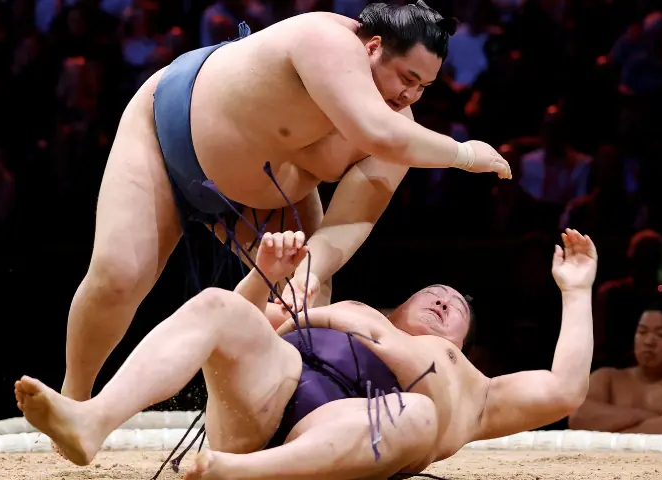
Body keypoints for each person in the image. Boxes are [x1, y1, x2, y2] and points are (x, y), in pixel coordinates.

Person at [62, 0, 512, 403]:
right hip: (166, 134)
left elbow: (351, 219)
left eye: (423, 87)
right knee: (119, 277)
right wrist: (465, 154)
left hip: (266, 201)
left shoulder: (401, 128)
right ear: (374, 47)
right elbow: (379, 132)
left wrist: (309, 271)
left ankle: (273, 427)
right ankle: (74, 401)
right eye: (407, 79)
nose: (409, 96)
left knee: (303, 309)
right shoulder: (325, 40)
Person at [16, 228, 593, 479]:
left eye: (456, 308)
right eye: (434, 293)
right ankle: (93, 419)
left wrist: (576, 291)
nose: (444, 300)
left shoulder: (476, 391)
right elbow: (239, 331)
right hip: (267, 394)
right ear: (398, 306)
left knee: (417, 413)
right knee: (218, 302)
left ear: (463, 345)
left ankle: (237, 475)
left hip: (349, 432)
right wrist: (264, 276)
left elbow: (566, 388)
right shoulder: (351, 312)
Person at [568, 301, 662, 434]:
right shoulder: (606, 378)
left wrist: (608, 427)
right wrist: (644, 415)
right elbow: (577, 418)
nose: (648, 341)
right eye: (642, 332)